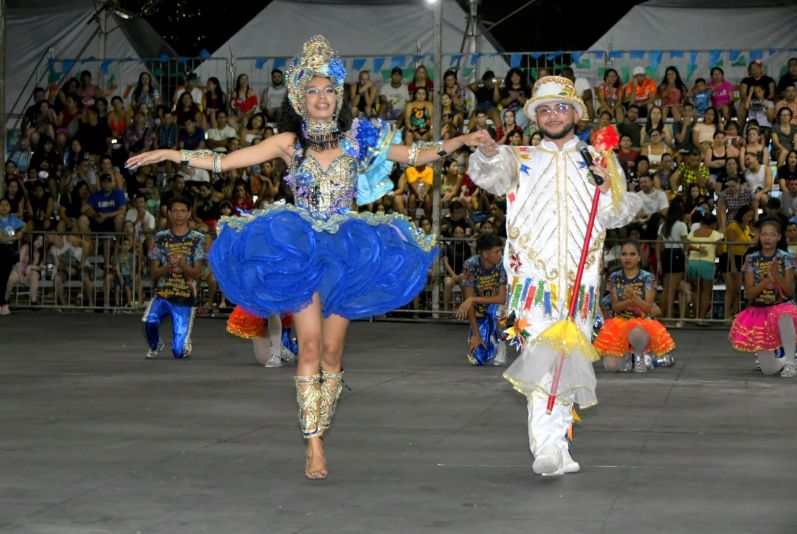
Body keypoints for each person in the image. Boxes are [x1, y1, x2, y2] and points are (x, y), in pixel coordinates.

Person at [126, 35, 489, 480]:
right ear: (299, 99)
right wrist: (173, 153)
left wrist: (462, 140)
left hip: (346, 253)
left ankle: (322, 423)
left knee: (333, 354)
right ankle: (312, 442)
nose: (321, 97)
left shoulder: (360, 138)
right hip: (299, 248)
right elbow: (226, 162)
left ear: (339, 97)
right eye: (312, 91)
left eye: (328, 90)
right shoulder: (287, 142)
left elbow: (415, 153)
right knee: (311, 346)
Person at [468, 76, 640, 477]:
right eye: (543, 109)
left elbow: (617, 213)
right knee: (543, 362)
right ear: (535, 118)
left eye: (560, 107)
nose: (551, 115)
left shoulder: (598, 157)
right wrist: (492, 152)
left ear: (576, 114)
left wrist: (606, 181)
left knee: (569, 364)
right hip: (534, 286)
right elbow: (490, 174)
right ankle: (545, 446)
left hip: (581, 287)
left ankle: (558, 446)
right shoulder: (520, 156)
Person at [729, 218, 797, 378]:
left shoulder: (786, 257)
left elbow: (789, 292)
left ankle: (790, 362)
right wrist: (767, 279)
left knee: (786, 315)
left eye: (772, 234)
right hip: (759, 311)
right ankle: (785, 359)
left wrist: (777, 277)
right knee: (768, 370)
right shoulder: (751, 259)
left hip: (781, 306)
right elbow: (749, 294)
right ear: (758, 236)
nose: (768, 238)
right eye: (764, 234)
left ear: (779, 237)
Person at [594, 240, 675, 373]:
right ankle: (646, 360)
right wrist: (631, 300)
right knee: (610, 366)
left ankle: (639, 355)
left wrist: (633, 298)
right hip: (619, 324)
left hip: (642, 324)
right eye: (624, 254)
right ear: (620, 257)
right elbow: (615, 307)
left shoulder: (648, 278)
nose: (628, 257)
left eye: (632, 254)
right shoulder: (614, 277)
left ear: (638, 257)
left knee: (636, 333)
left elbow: (647, 309)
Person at [143, 196, 206, 359]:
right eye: (175, 211)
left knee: (178, 352)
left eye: (182, 211)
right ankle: (156, 345)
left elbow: (197, 274)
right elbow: (154, 273)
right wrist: (168, 266)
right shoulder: (159, 238)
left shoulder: (198, 239)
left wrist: (183, 265)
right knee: (150, 321)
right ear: (169, 214)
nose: (178, 215)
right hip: (163, 293)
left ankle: (184, 342)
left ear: (189, 213)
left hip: (185, 296)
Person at [454, 233, 508, 366]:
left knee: (495, 312)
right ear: (484, 253)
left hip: (498, 308)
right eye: (496, 251)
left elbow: (501, 298)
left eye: (501, 250)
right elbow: (469, 303)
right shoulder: (470, 265)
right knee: (478, 358)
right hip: (479, 311)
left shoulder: (502, 265)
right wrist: (476, 334)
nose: (500, 254)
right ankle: (487, 336)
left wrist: (472, 299)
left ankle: (501, 344)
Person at [686, 213, 723, 325]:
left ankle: (696, 316)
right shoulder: (716, 234)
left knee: (695, 291)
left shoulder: (692, 233)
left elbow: (687, 247)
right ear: (712, 223)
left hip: (692, 263)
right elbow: (720, 252)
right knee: (706, 293)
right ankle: (702, 319)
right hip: (707, 263)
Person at [0, 198, 26, 315]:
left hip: (9, 252)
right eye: (2, 205)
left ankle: (4, 303)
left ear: (10, 208)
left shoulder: (13, 219)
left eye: (7, 205)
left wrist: (20, 232)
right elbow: (1, 239)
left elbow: (25, 226)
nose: (4, 207)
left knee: (6, 278)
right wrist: (14, 237)